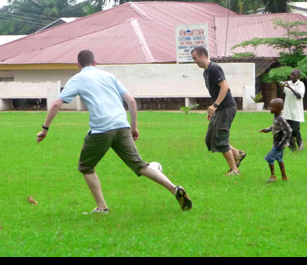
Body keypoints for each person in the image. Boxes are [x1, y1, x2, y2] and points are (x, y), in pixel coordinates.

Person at [36, 50, 192, 213]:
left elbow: (56, 104)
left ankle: (102, 208)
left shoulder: (77, 79)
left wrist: (45, 129)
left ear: (78, 65)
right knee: (139, 165)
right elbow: (131, 101)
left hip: (101, 129)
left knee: (86, 167)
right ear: (95, 63)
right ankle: (174, 188)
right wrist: (133, 128)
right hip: (121, 125)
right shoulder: (108, 76)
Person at [191, 46, 245, 176]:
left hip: (226, 107)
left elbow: (224, 86)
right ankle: (237, 154)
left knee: (221, 139)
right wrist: (214, 109)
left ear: (202, 56)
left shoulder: (214, 68)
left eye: (195, 58)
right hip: (219, 109)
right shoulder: (206, 72)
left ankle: (234, 170)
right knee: (210, 139)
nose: (194, 61)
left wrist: (215, 105)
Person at [260, 98, 292, 183]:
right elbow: (274, 126)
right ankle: (284, 176)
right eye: (270, 106)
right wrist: (266, 130)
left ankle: (273, 176)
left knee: (270, 158)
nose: (270, 108)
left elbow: (289, 131)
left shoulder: (281, 118)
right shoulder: (276, 117)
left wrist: (282, 143)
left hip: (279, 143)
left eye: (272, 107)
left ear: (279, 109)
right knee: (279, 158)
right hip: (277, 142)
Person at [282, 69, 305, 151]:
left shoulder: (301, 84)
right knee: (289, 131)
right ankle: (292, 148)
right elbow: (285, 93)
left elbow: (299, 95)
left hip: (296, 112)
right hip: (288, 111)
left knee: (295, 130)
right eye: (291, 75)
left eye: (294, 75)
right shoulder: (288, 83)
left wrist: (290, 87)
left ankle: (300, 144)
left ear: (298, 76)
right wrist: (283, 86)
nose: (291, 76)